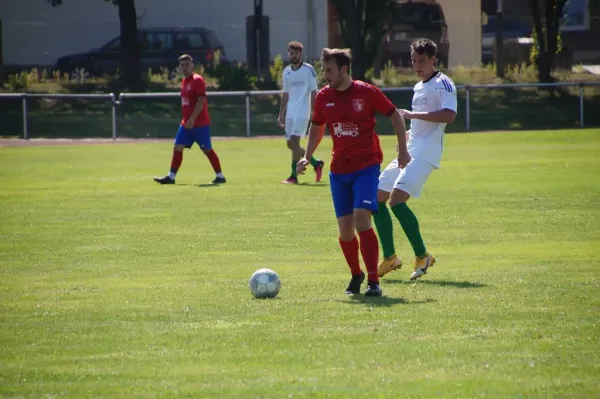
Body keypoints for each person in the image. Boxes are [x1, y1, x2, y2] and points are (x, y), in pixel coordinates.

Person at [297, 48, 409, 297]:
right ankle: (356, 274)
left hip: (366, 167)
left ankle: (373, 281)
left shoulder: (366, 92)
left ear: (344, 69)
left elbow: (395, 116)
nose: (325, 75)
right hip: (339, 171)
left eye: (329, 70)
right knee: (345, 232)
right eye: (323, 70)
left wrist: (402, 151)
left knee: (361, 220)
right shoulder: (323, 97)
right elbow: (317, 128)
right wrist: (307, 156)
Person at [374, 38, 457, 280]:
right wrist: (408, 132)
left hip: (426, 152)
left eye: (422, 61)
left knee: (397, 200)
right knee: (376, 197)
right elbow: (420, 122)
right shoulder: (419, 87)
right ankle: (390, 258)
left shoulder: (443, 83)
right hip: (410, 149)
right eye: (413, 60)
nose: (417, 65)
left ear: (433, 60)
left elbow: (449, 115)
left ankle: (423, 256)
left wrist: (410, 114)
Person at [154, 54, 226, 185]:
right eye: (182, 65)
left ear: (193, 65)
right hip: (186, 123)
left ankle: (220, 176)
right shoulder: (184, 82)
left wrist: (193, 118)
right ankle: (171, 176)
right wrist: (187, 119)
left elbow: (201, 100)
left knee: (207, 150)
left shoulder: (197, 80)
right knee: (177, 147)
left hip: (199, 124)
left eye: (187, 65)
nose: (184, 68)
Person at [277, 41, 325, 184]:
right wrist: (281, 114)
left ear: (300, 54)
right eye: (291, 53)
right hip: (290, 112)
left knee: (295, 141)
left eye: (296, 53)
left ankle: (293, 176)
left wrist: (314, 110)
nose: (293, 55)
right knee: (290, 144)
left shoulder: (308, 70)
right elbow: (285, 94)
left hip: (302, 112)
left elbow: (313, 91)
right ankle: (316, 164)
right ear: (288, 54)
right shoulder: (286, 71)